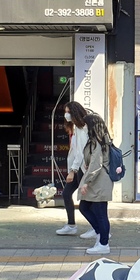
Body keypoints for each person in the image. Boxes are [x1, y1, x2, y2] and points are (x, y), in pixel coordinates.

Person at [78, 114, 113, 255]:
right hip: (98, 181)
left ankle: (104, 243)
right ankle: (101, 235)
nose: (84, 127)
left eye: (86, 124)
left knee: (100, 213)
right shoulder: (101, 139)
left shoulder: (96, 142)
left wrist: (86, 182)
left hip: (99, 182)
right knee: (84, 207)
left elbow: (96, 164)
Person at [56, 102, 90, 236]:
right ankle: (71, 224)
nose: (66, 115)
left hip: (80, 168)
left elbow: (81, 152)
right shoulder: (75, 128)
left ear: (75, 112)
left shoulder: (82, 128)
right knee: (66, 194)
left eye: (68, 112)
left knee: (87, 201)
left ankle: (97, 228)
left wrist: (73, 170)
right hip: (77, 167)